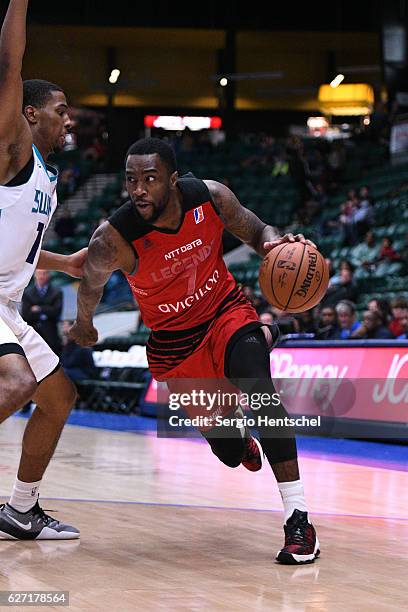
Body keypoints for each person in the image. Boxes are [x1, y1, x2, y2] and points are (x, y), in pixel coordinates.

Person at [70, 137, 320, 565]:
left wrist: (276, 244)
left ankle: (299, 521)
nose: (138, 190)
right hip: (174, 345)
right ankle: (238, 435)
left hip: (225, 312)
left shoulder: (212, 197)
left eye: (150, 179)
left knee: (259, 389)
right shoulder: (113, 238)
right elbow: (91, 283)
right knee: (227, 453)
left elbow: (258, 230)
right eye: (131, 180)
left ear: (173, 178)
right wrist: (84, 324)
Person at [0, 0, 84, 540]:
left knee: (58, 397)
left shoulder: (45, 178)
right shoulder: (10, 149)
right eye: (60, 108)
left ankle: (21, 509)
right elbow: (11, 61)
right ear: (30, 114)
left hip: (7, 303)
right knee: (16, 380)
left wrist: (65, 262)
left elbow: (18, 247)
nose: (68, 117)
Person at [21, 269, 62, 355]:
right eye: (39, 273)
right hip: (33, 334)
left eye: (44, 273)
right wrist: (48, 310)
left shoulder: (57, 292)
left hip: (51, 334)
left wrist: (39, 308)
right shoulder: (27, 293)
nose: (41, 276)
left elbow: (56, 312)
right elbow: (26, 315)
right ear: (34, 275)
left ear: (49, 275)